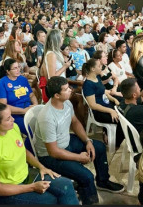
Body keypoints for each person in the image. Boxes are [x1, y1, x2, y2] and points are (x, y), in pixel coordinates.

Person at [32, 76, 124, 205]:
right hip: (50, 156)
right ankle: (90, 201)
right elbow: (53, 151)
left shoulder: (67, 103)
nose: (70, 90)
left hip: (66, 142)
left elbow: (75, 122)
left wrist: (87, 141)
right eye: (66, 89)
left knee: (99, 147)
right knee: (86, 177)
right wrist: (78, 158)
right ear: (57, 95)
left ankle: (103, 181)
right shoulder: (47, 117)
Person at [0, 102, 78, 205]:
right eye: (8, 119)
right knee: (50, 200)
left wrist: (41, 167)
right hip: (8, 189)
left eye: (11, 115)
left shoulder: (13, 128)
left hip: (26, 175)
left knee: (66, 185)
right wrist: (32, 187)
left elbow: (23, 150)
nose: (13, 119)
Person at [0, 59, 37, 151]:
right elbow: (3, 106)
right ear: (8, 71)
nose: (18, 70)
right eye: (15, 68)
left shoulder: (22, 79)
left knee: (43, 125)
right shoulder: (2, 83)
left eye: (18, 67)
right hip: (15, 115)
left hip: (29, 110)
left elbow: (31, 95)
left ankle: (38, 150)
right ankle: (28, 154)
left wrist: (35, 106)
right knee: (32, 131)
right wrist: (24, 111)